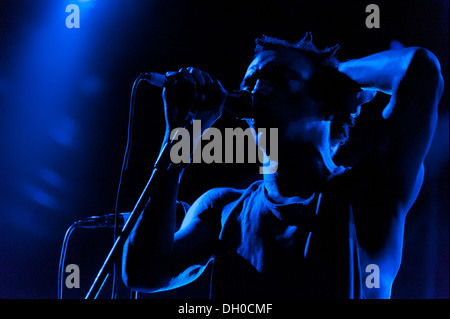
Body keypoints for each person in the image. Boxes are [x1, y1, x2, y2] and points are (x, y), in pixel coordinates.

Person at [121, 34, 443, 298]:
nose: (257, 91)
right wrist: (179, 138)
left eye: (280, 79)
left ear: (326, 102)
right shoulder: (222, 208)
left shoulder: (367, 191)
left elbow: (419, 69)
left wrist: (334, 78)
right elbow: (142, 273)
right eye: (250, 83)